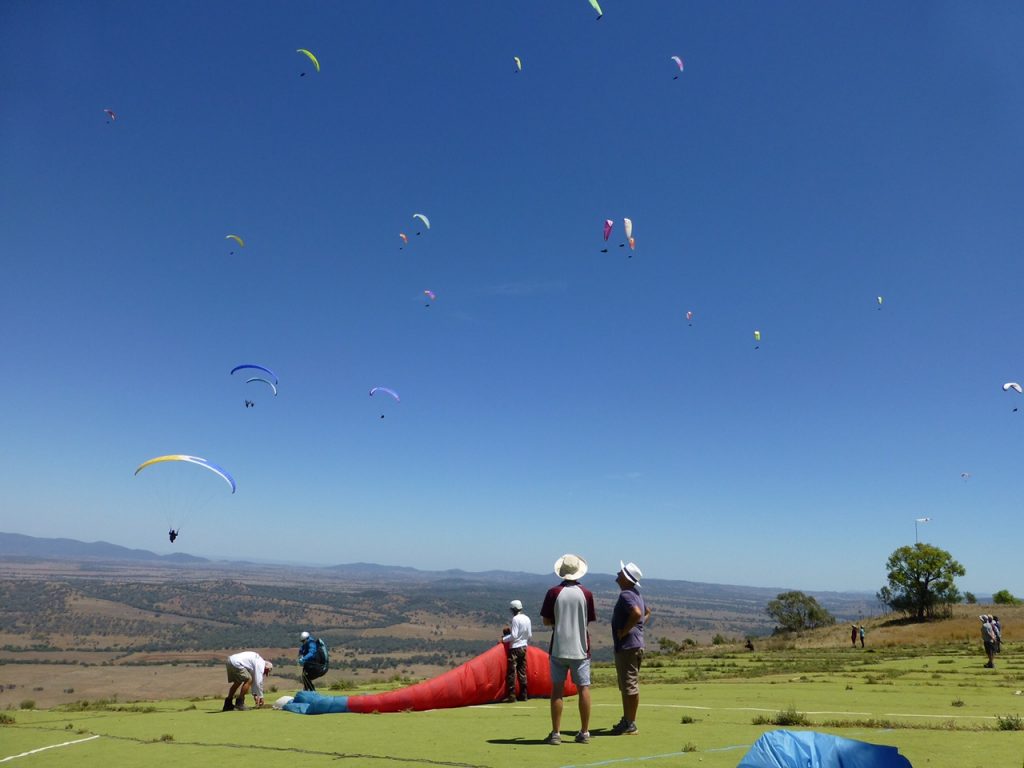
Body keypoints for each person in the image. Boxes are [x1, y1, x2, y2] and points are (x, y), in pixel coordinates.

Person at [540, 554, 596, 745]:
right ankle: (585, 732)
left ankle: (556, 733)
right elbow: (588, 619)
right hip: (581, 648)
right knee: (584, 688)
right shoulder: (586, 594)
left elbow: (546, 621)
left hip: (559, 647)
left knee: (557, 690)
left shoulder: (553, 592)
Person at [610, 560, 651, 736]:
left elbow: (637, 613)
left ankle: (630, 723)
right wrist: (638, 628)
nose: (618, 574)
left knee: (630, 686)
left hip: (628, 646)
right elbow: (647, 612)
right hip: (634, 645)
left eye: (621, 572)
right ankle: (627, 720)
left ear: (626, 578)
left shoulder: (626, 595)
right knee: (627, 685)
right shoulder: (636, 594)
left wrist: (625, 631)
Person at [502, 599, 532, 702]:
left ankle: (512, 696)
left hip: (515, 648)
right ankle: (524, 695)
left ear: (514, 609)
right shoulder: (527, 618)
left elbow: (514, 635)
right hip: (524, 647)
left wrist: (503, 639)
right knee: (522, 671)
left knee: (512, 672)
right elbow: (529, 635)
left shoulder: (515, 619)